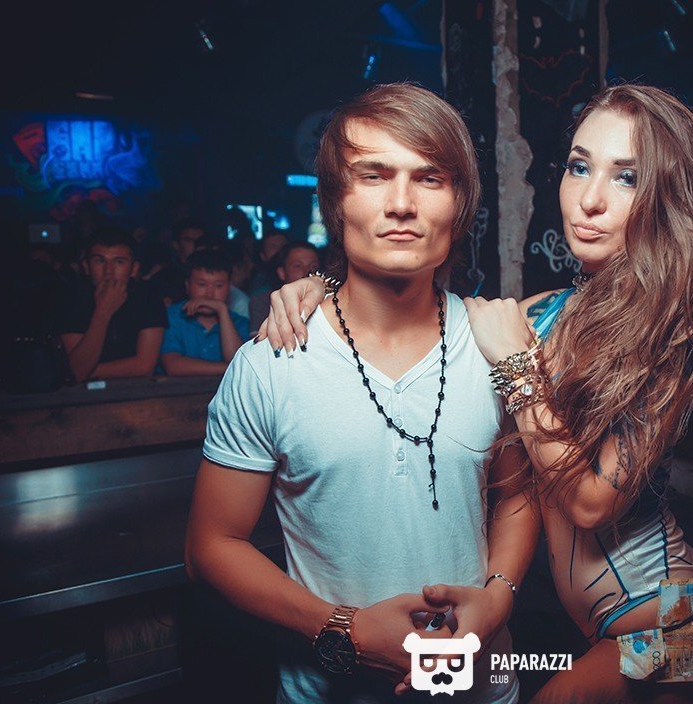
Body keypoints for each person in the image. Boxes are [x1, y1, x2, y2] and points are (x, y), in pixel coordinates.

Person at [263, 84, 693, 703]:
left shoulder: (669, 330)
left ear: (667, 196)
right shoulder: (547, 313)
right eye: (579, 167)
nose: (590, 199)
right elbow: (430, 311)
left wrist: (518, 365)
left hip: (684, 627)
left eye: (627, 178)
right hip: (602, 628)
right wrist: (323, 291)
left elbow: (591, 503)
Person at [185, 84, 535, 704]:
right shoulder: (270, 361)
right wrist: (342, 628)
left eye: (429, 179)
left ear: (460, 205)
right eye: (373, 176)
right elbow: (211, 546)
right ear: (336, 201)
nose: (401, 204)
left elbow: (516, 495)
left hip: (482, 688)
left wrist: (498, 599)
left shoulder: (496, 344)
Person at [53, 226, 166, 381]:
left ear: (134, 269)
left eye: (119, 262)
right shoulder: (70, 299)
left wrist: (86, 372)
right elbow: (77, 369)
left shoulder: (148, 296)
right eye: (100, 261)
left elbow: (144, 366)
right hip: (80, 393)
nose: (108, 271)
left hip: (137, 389)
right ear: (86, 266)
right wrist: (103, 311)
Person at [159, 249, 250, 376]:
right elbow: (173, 365)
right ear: (187, 285)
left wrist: (222, 311)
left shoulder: (240, 323)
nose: (210, 294)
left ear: (229, 288)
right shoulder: (172, 316)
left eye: (219, 286)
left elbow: (237, 361)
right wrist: (231, 368)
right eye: (202, 285)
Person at [248, 242, 320, 327]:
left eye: (314, 266)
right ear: (282, 273)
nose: (307, 271)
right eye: (298, 266)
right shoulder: (264, 303)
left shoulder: (327, 301)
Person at [149, 219, 205, 305]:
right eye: (189, 241)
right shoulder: (164, 278)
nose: (195, 245)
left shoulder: (217, 273)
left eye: (200, 240)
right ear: (176, 245)